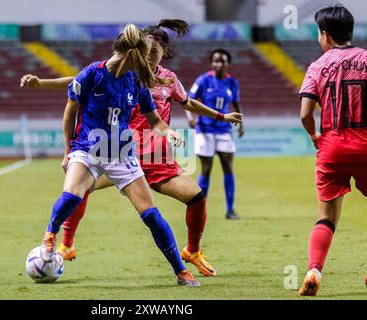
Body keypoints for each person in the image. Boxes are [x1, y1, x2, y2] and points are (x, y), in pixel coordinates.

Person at [21, 20, 243, 277]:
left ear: (163, 53)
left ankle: (191, 252)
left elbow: (187, 103)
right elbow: (79, 81)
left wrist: (220, 116)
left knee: (195, 197)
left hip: (155, 158)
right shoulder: (122, 72)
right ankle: (66, 244)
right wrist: (42, 83)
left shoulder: (166, 79)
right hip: (117, 149)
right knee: (79, 190)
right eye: (144, 50)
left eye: (153, 52)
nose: (148, 55)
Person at [298, 4, 367, 296]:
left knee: (326, 216)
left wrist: (315, 135)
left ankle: (314, 270)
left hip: (332, 146)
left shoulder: (318, 65)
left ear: (325, 35)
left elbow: (304, 113)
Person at [186, 49, 244, 220]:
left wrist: (241, 124)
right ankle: (199, 209)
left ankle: (230, 209)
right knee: (206, 169)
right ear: (212, 63)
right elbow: (188, 100)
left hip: (224, 130)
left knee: (228, 167)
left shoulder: (232, 82)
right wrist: (190, 118)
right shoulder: (203, 80)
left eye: (222, 61)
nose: (219, 64)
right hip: (205, 129)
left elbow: (236, 104)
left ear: (227, 63)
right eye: (216, 61)